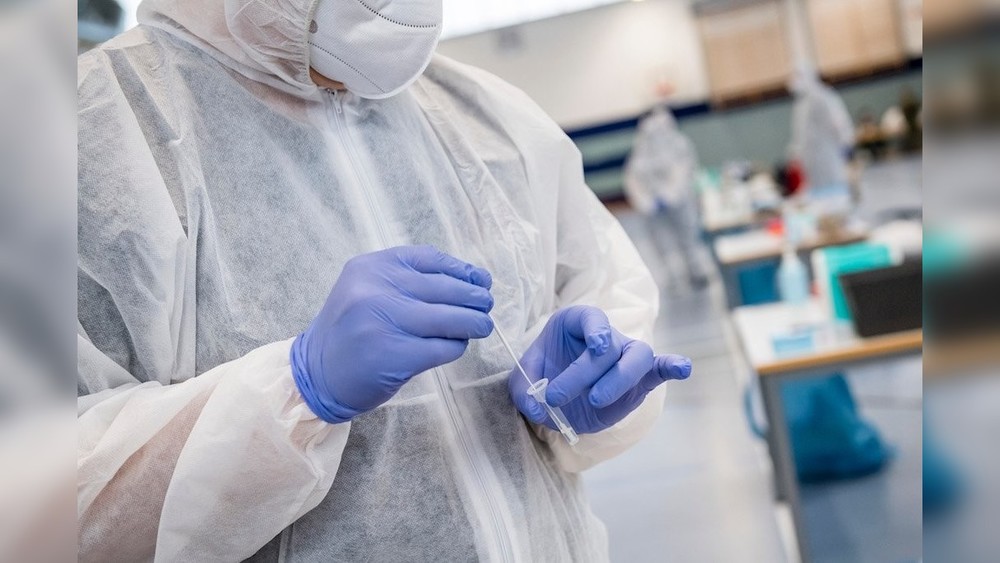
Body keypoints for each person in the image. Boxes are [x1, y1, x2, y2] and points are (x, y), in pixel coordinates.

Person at [76, 0, 692, 561]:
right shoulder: (88, 137)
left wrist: (584, 385)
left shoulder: (487, 118)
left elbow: (608, 290)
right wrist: (296, 388)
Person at [623, 103, 710, 290]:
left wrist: (670, 194)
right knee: (659, 242)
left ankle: (696, 271)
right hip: (652, 207)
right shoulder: (641, 147)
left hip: (680, 201)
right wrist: (645, 200)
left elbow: (685, 170)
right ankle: (672, 278)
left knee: (688, 237)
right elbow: (633, 177)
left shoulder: (679, 143)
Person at [788, 66, 856, 192]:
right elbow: (801, 135)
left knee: (833, 191)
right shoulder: (801, 103)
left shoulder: (822, 97)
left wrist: (846, 147)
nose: (793, 81)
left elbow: (839, 124)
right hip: (812, 163)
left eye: (797, 76)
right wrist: (796, 154)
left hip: (828, 158)